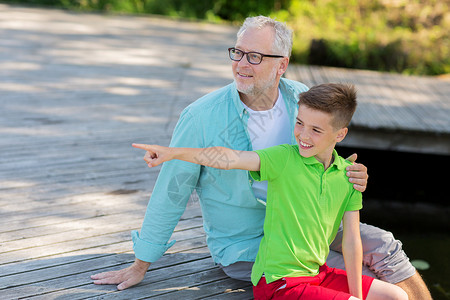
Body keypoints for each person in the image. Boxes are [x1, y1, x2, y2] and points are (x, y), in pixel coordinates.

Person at [91, 16, 431, 299]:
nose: (241, 64)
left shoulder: (302, 98)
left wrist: (353, 176)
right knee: (360, 279)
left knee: (385, 246)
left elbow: (323, 158)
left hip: (308, 223)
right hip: (249, 243)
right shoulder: (201, 116)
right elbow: (172, 190)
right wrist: (141, 262)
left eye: (255, 56)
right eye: (237, 53)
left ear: (281, 64)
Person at [131, 83, 408, 300]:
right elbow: (231, 158)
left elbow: (351, 242)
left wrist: (355, 294)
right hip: (278, 282)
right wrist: (174, 152)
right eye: (299, 123)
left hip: (317, 274)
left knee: (397, 296)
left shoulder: (347, 175)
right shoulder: (284, 159)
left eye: (315, 129)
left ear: (340, 135)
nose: (303, 135)